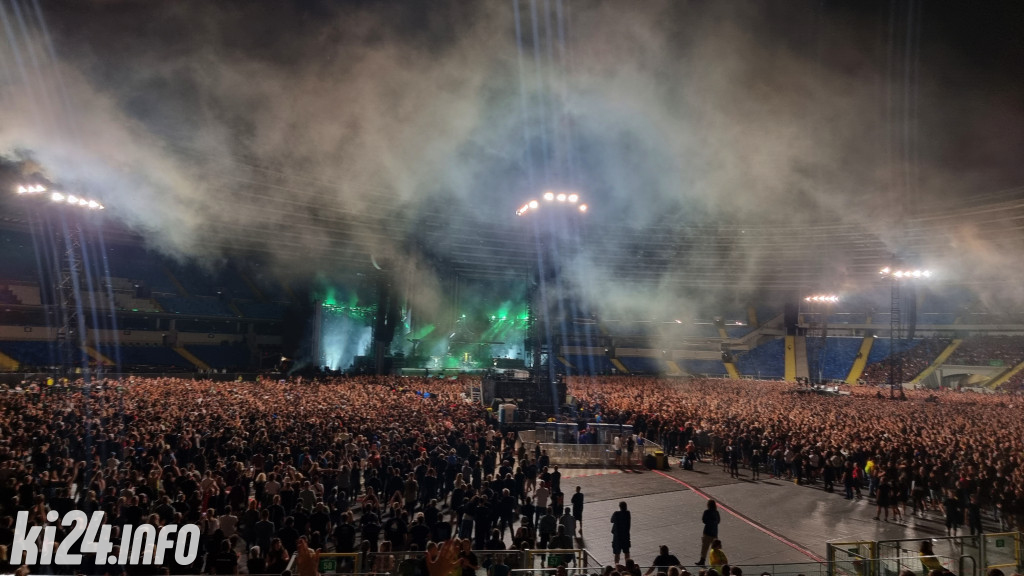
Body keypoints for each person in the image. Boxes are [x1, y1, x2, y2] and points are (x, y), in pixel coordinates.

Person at [696, 500, 721, 566]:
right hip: (714, 533)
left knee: (704, 548)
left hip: (707, 532)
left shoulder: (706, 512)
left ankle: (702, 561)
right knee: (715, 549)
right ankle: (717, 561)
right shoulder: (717, 512)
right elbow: (718, 521)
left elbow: (704, 520)